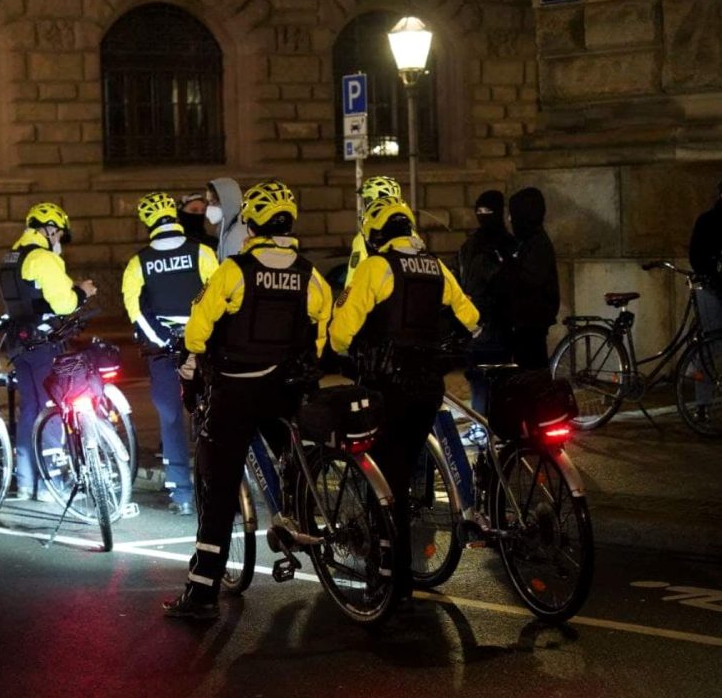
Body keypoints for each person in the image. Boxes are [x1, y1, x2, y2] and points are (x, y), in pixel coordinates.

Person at [163, 180, 333, 620]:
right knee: (293, 455)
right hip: (286, 390)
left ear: (252, 224)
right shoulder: (310, 273)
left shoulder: (235, 271)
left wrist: (190, 359)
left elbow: (197, 333)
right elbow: (322, 323)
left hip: (236, 392)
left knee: (219, 494)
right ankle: (298, 516)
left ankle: (201, 595)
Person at [329, 196, 479, 606]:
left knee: (383, 481)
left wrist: (343, 350)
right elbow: (472, 319)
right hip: (428, 387)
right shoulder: (435, 266)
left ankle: (387, 576)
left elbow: (341, 333)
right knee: (404, 470)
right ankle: (402, 569)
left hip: (386, 388)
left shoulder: (376, 267)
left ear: (376, 234)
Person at [122, 192, 219, 515]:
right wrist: (200, 337)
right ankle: (219, 491)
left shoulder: (139, 263)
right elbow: (218, 301)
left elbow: (136, 313)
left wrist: (165, 341)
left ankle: (182, 495)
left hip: (163, 353)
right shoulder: (202, 252)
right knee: (213, 418)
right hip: (203, 348)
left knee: (171, 420)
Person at [0, 202, 97, 500]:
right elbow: (63, 304)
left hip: (18, 342)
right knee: (53, 408)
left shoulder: (11, 256)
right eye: (59, 235)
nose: (59, 242)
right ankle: (53, 484)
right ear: (50, 229)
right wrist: (82, 292)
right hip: (42, 343)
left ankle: (26, 480)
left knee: (29, 410)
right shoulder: (42, 258)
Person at [456, 190, 516, 415]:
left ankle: (490, 422)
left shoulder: (499, 245)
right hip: (482, 322)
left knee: (491, 376)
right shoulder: (475, 244)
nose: (482, 215)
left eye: (487, 211)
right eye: (478, 211)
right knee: (481, 376)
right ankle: (485, 422)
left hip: (491, 321)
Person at [503, 187, 559, 370]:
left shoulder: (536, 245)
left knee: (532, 371)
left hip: (531, 322)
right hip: (526, 322)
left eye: (513, 214)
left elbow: (529, 281)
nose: (510, 220)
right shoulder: (529, 242)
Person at [688, 180, 722, 419]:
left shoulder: (707, 220)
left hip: (711, 286)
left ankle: (703, 402)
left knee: (712, 342)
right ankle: (702, 401)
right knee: (712, 342)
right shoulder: (709, 221)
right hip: (711, 288)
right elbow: (697, 257)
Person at [345, 175, 402, 286]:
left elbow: (353, 280)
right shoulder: (413, 237)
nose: (364, 207)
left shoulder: (366, 237)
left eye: (366, 201)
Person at [205, 178, 246, 261]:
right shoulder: (227, 228)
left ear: (227, 202)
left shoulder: (239, 235)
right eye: (208, 202)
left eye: (213, 202)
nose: (209, 207)